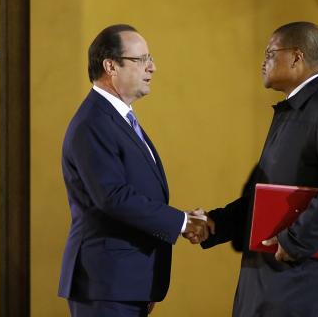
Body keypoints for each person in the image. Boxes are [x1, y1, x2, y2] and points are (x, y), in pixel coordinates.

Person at [187, 22, 318, 317]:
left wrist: (296, 241)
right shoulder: (295, 110)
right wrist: (217, 223)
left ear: (297, 57)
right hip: (277, 282)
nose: (263, 62)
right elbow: (271, 196)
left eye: (271, 53)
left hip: (306, 285)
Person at [58, 24, 209, 317]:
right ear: (110, 66)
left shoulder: (118, 118)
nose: (152, 67)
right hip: (105, 284)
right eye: (141, 60)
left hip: (127, 283)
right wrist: (182, 222)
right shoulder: (94, 122)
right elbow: (113, 197)